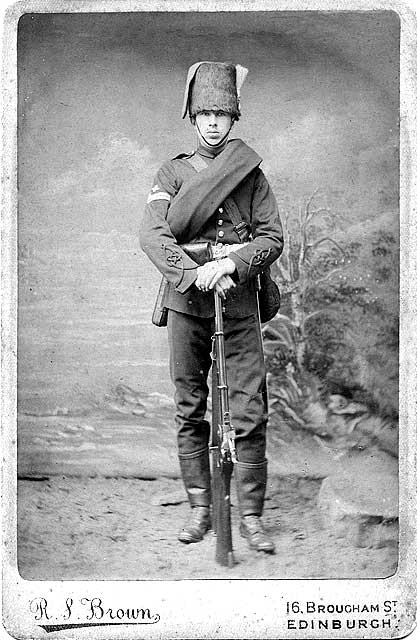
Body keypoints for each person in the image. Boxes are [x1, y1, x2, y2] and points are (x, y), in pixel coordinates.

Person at [140, 61, 284, 553]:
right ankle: (201, 507)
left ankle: (251, 515)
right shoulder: (172, 172)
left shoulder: (251, 173)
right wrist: (191, 271)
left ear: (234, 118)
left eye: (222, 113)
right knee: (189, 407)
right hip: (186, 303)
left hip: (239, 303)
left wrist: (232, 265)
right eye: (205, 113)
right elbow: (152, 234)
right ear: (192, 117)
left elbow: (273, 237)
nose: (213, 123)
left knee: (249, 409)